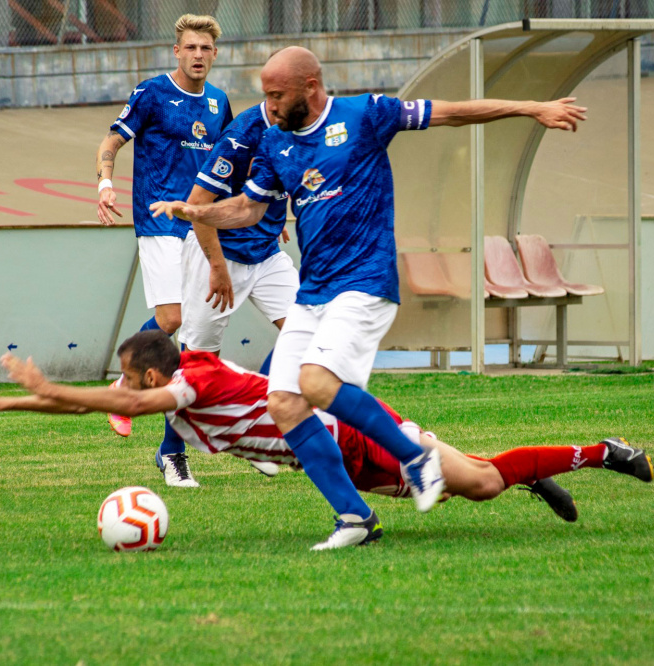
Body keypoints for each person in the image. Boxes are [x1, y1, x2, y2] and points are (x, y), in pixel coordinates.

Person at [150, 46, 590, 549]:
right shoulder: (275, 144)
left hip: (364, 282)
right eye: (265, 96)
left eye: (276, 95)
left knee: (314, 383)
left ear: (309, 88)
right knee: (284, 403)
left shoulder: (366, 114)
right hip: (314, 291)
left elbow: (451, 112)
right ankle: (355, 519)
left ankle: (416, 457)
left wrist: (532, 108)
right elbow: (248, 209)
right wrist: (195, 213)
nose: (268, 107)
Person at [0, 331, 654, 550]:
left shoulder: (191, 381)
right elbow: (89, 407)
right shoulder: (175, 384)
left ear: (155, 373)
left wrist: (51, 386)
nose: (125, 391)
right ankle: (526, 472)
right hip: (333, 455)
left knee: (482, 482)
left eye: (131, 380)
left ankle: (603, 451)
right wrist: (5, 404)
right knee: (480, 480)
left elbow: (115, 400)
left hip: (347, 434)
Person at [94, 14, 233, 487]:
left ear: (214, 55)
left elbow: (233, 161)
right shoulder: (152, 93)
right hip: (158, 220)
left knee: (194, 338)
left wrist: (258, 217)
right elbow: (113, 140)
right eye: (190, 47)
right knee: (172, 320)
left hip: (201, 226)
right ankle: (126, 378)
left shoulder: (218, 103)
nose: (197, 55)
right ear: (177, 51)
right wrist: (105, 182)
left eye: (205, 49)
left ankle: (171, 450)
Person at [175, 99, 300, 484]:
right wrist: (216, 268)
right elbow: (197, 207)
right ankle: (171, 454)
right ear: (276, 96)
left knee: (309, 328)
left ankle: (259, 422)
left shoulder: (300, 124)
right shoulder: (241, 136)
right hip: (217, 252)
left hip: (264, 255)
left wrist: (273, 219)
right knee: (198, 365)